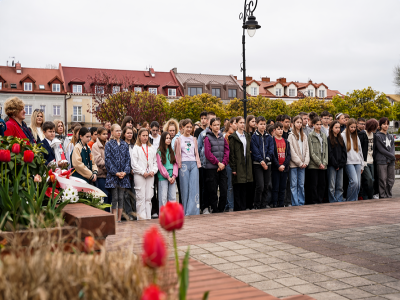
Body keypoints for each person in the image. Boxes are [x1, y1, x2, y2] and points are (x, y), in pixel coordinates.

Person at [105, 124, 131, 223]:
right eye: (117, 131)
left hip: (123, 176)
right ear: (112, 132)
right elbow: (107, 160)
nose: (119, 132)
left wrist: (124, 172)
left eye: (120, 130)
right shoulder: (109, 144)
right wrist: (115, 173)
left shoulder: (124, 144)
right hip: (113, 176)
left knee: (121, 197)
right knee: (115, 197)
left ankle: (119, 219)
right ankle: (113, 219)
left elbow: (128, 159)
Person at [175, 119, 201, 215]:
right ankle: (185, 212)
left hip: (194, 164)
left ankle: (193, 211)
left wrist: (198, 163)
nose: (189, 129)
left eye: (191, 127)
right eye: (187, 127)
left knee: (194, 188)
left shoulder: (194, 139)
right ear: (182, 127)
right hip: (183, 165)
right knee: (184, 189)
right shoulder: (178, 140)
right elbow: (177, 153)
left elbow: (196, 152)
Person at [131, 128, 158, 220]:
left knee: (148, 197)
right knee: (140, 197)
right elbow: (134, 164)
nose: (145, 137)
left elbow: (155, 162)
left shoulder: (151, 148)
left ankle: (148, 217)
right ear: (139, 136)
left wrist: (153, 171)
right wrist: (143, 172)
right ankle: (141, 219)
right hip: (140, 175)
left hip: (150, 175)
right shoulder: (136, 148)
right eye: (143, 135)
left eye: (147, 135)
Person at [204, 117, 230, 213]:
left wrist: (223, 163)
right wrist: (218, 163)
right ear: (210, 126)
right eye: (214, 125)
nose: (216, 126)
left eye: (218, 124)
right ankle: (215, 210)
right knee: (213, 191)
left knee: (224, 190)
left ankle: (221, 209)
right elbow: (208, 153)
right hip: (211, 168)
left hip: (222, 168)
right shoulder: (207, 138)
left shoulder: (222, 138)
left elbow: (227, 151)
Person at [228, 116, 253, 211]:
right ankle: (238, 208)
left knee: (245, 186)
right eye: (240, 122)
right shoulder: (233, 137)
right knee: (238, 186)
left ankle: (244, 206)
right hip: (238, 165)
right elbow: (232, 154)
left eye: (243, 122)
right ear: (237, 124)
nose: (242, 124)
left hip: (246, 164)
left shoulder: (247, 135)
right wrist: (234, 168)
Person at [251, 116, 273, 209]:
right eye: (261, 124)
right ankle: (256, 204)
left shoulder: (268, 137)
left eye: (264, 124)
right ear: (256, 124)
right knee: (260, 185)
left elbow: (271, 149)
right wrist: (261, 161)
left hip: (267, 164)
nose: (263, 126)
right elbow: (255, 150)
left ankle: (263, 204)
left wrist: (266, 160)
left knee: (266, 185)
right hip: (258, 164)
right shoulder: (254, 137)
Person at [288, 116, 309, 206]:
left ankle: (301, 202)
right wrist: (299, 163)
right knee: (294, 185)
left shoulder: (304, 135)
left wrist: (306, 162)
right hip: (294, 164)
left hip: (303, 164)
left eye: (301, 122)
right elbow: (291, 151)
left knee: (301, 184)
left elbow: (307, 150)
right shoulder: (290, 136)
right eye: (297, 122)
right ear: (293, 124)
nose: (299, 124)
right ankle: (295, 203)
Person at [197, 111, 216, 213]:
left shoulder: (219, 134)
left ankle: (213, 206)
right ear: (208, 121)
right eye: (212, 120)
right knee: (205, 186)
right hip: (205, 165)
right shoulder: (203, 134)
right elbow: (199, 149)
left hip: (215, 165)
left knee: (213, 187)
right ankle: (204, 207)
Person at [342, 118, 364, 202]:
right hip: (348, 162)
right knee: (353, 182)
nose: (353, 129)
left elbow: (360, 152)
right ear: (347, 126)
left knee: (358, 184)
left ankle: (354, 200)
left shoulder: (356, 136)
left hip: (358, 162)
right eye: (351, 127)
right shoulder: (343, 135)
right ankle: (350, 200)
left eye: (355, 127)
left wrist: (362, 165)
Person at [308, 117, 328, 204]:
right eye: (317, 124)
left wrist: (324, 162)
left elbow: (326, 150)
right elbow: (311, 151)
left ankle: (320, 200)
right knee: (314, 184)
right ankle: (314, 200)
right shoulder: (310, 135)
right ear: (313, 125)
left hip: (323, 164)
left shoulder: (324, 135)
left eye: (320, 124)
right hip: (314, 164)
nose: (319, 126)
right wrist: (319, 163)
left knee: (322, 184)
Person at [271, 122, 291, 207]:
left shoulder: (286, 141)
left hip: (284, 168)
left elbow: (289, 155)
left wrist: (284, 165)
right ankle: (275, 203)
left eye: (281, 129)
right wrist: (278, 166)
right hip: (276, 168)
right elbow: (272, 154)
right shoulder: (272, 141)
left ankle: (281, 203)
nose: (280, 131)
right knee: (275, 187)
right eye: (278, 129)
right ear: (274, 130)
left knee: (283, 187)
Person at [156, 131, 178, 209]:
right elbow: (160, 166)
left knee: (172, 197)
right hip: (163, 178)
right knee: (163, 197)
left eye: (170, 138)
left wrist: (174, 176)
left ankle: (172, 215)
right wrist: (167, 176)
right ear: (163, 139)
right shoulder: (159, 152)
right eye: (167, 138)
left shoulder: (172, 151)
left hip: (172, 177)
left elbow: (175, 164)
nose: (169, 140)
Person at [375, 117, 395, 198]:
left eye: (387, 124)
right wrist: (391, 156)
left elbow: (392, 148)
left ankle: (389, 195)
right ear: (380, 125)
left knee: (391, 180)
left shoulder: (390, 136)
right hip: (381, 160)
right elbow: (381, 149)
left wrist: (391, 157)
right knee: (382, 179)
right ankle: (382, 196)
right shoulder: (377, 136)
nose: (386, 126)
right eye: (384, 124)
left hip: (391, 161)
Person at [327, 120, 347, 202]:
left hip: (340, 165)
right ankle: (332, 200)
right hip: (332, 165)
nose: (338, 129)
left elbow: (344, 152)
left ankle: (339, 199)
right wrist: (335, 164)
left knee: (339, 185)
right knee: (332, 185)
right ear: (331, 128)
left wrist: (341, 163)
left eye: (339, 127)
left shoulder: (341, 138)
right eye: (336, 127)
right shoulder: (329, 139)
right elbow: (329, 153)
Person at [92, 127, 110, 212]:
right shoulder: (95, 146)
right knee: (104, 196)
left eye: (106, 134)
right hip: (101, 175)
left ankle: (108, 216)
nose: (106, 136)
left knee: (109, 197)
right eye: (104, 134)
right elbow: (98, 160)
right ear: (98, 135)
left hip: (109, 175)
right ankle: (104, 216)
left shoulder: (108, 144)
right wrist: (110, 167)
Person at [122, 126, 136, 220]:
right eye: (128, 133)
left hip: (134, 173)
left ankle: (134, 214)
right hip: (125, 173)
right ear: (124, 134)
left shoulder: (134, 145)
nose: (130, 135)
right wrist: (128, 169)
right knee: (125, 195)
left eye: (131, 133)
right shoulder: (122, 145)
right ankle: (127, 214)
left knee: (133, 194)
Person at [223, 117, 237, 212]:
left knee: (232, 185)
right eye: (236, 123)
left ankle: (229, 205)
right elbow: (228, 151)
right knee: (230, 186)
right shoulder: (227, 136)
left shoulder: (236, 135)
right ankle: (230, 206)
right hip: (229, 164)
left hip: (234, 163)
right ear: (231, 124)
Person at [364, 119, 379, 200]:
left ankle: (369, 196)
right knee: (369, 179)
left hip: (372, 160)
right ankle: (367, 196)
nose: (376, 128)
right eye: (375, 127)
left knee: (372, 180)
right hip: (365, 161)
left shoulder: (374, 135)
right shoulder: (363, 134)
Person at [357, 118, 368, 199]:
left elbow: (364, 149)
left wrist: (363, 161)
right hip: (354, 159)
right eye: (361, 124)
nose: (363, 125)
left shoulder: (364, 134)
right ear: (357, 124)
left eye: (364, 124)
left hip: (362, 160)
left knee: (365, 179)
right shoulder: (354, 133)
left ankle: (362, 195)